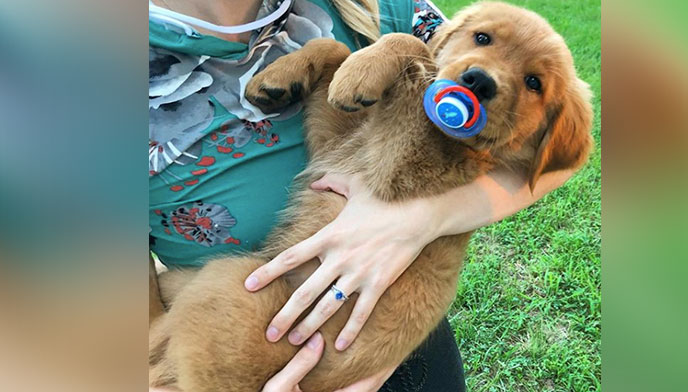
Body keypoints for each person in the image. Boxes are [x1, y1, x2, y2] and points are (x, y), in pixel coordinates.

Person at [148, 0, 574, 390]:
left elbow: (567, 158)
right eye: (482, 39)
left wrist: (428, 217)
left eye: (534, 82)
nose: (486, 74)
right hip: (265, 349)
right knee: (209, 294)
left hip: (371, 352)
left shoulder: (379, 7)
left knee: (217, 291)